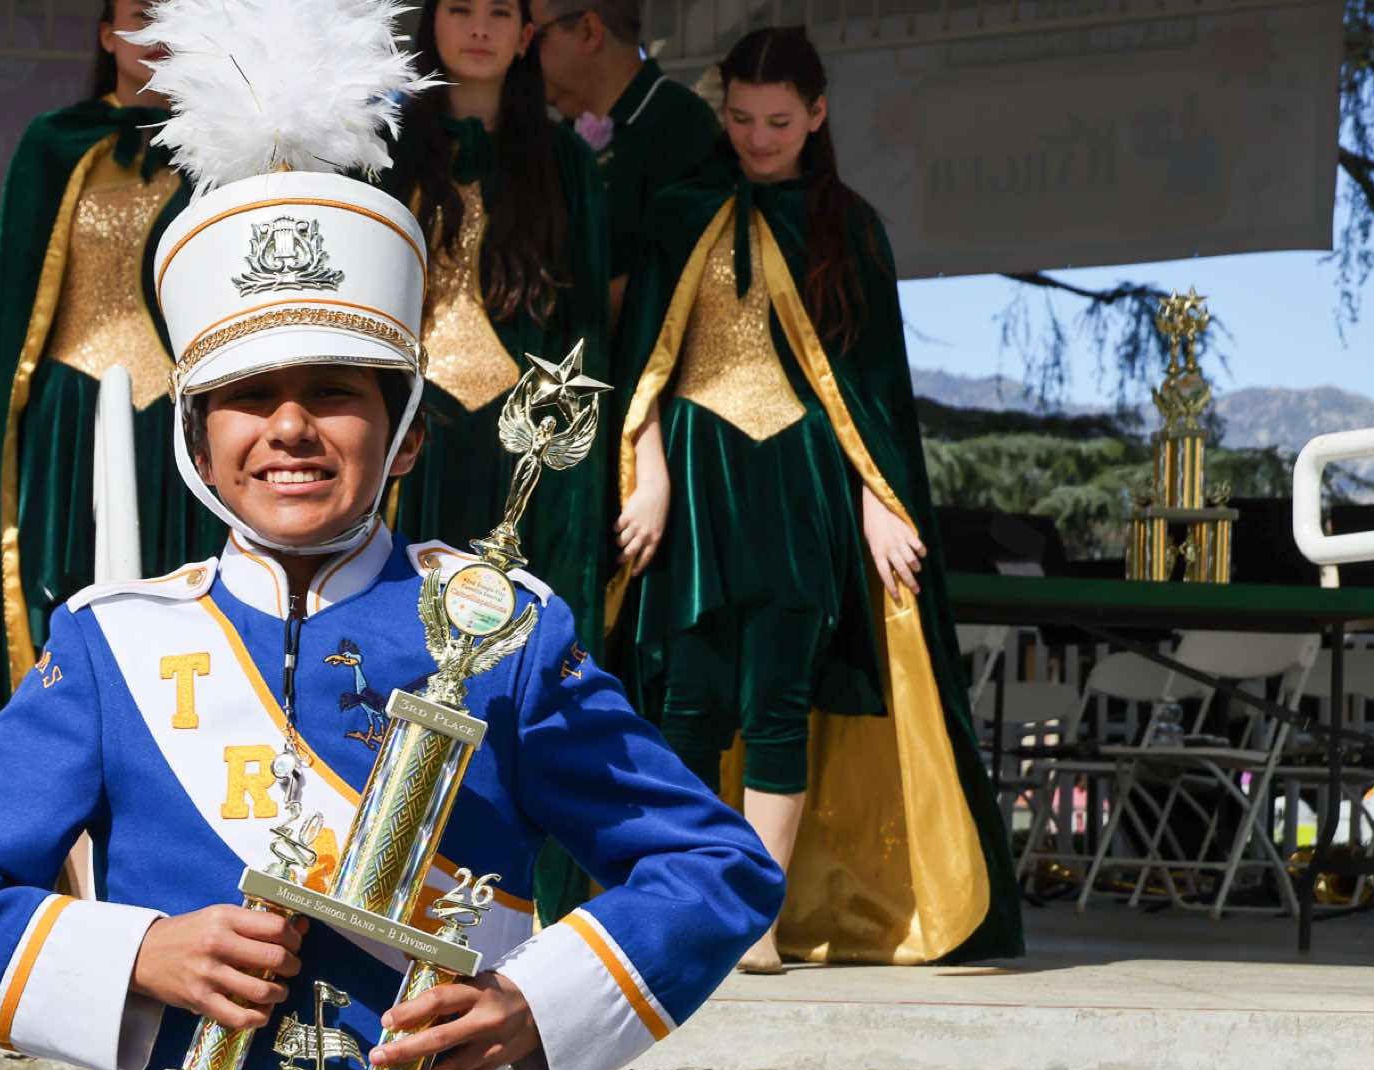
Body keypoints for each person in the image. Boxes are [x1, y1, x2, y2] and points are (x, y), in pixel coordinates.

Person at [0, 2, 782, 1070]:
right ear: (196, 434)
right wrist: (141, 954)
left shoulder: (507, 632)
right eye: (248, 394)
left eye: (337, 390)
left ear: (403, 431)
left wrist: (533, 1000)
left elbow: (714, 867)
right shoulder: (113, 644)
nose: (289, 426)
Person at [614, 26, 1021, 969]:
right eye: (742, 118)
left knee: (778, 700)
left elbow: (871, 390)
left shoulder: (850, 226)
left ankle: (756, 914)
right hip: (694, 484)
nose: (758, 138)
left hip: (799, 486)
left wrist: (880, 500)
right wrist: (648, 470)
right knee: (688, 697)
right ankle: (686, 903)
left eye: (779, 121)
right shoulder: (678, 212)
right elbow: (642, 362)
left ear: (818, 115)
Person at [0, 0, 221, 868]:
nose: (155, 32)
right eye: (138, 14)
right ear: (105, 35)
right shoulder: (56, 143)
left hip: (177, 423)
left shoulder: (225, 146)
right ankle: (46, 840)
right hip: (70, 415)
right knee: (58, 601)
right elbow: (19, 314)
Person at [384, 0, 611, 652]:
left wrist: (569, 457)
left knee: (508, 635)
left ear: (525, 36)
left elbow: (585, 323)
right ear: (432, 25)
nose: (479, 27)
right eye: (459, 8)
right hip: (408, 427)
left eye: (499, 13)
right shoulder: (383, 150)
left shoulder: (567, 163)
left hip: (522, 436)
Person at [528, 0, 719, 322]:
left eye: (535, 37)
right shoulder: (560, 139)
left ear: (589, 31)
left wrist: (552, 318)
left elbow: (683, 277)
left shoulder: (682, 125)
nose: (522, 54)